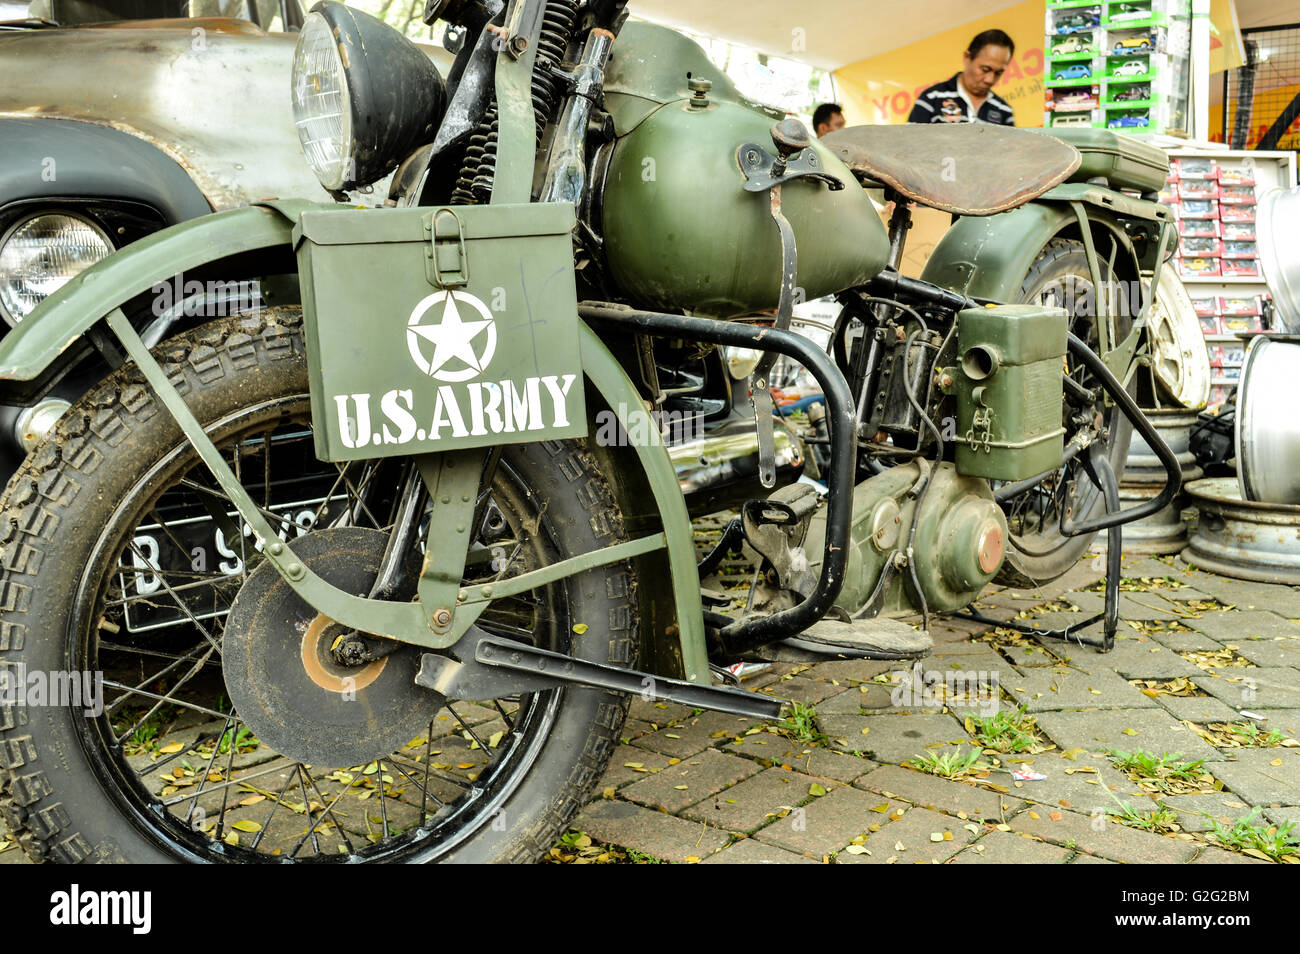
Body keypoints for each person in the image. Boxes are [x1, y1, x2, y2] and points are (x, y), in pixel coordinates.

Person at [907, 29, 1015, 126]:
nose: (990, 80)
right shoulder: (932, 98)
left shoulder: (1004, 110)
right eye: (985, 69)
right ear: (967, 58)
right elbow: (909, 144)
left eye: (998, 73)